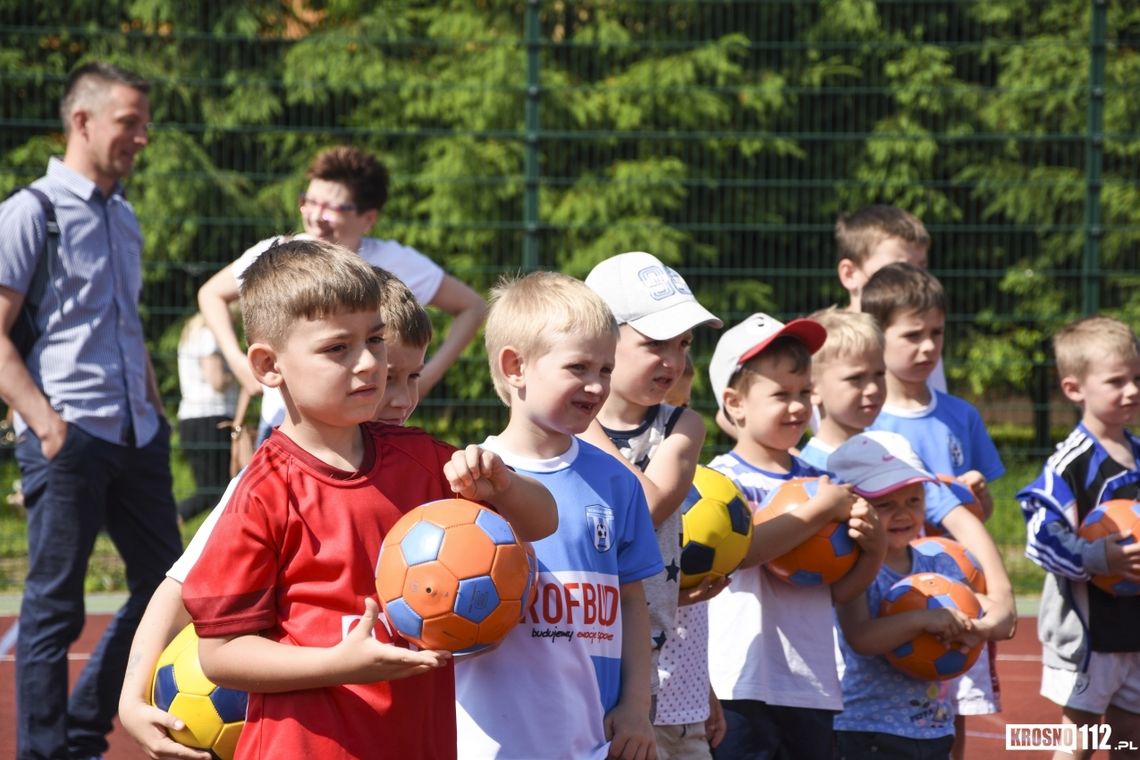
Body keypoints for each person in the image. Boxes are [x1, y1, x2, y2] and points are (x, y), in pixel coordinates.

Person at [179, 241, 556, 760]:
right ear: (269, 366)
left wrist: (504, 487)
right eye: (338, 348)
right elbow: (221, 654)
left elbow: (544, 520)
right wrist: (339, 664)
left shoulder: (426, 461)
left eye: (375, 341)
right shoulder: (265, 490)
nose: (368, 364)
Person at [119, 266, 440, 759]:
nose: (393, 393)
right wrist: (131, 694)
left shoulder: (423, 463)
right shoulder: (271, 484)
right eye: (389, 373)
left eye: (411, 376)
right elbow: (181, 585)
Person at [0, 61, 184, 760]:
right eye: (129, 123)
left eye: (144, 125)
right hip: (68, 432)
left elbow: (123, 324)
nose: (142, 138)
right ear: (83, 121)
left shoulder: (124, 217)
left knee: (168, 585)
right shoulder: (31, 213)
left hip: (136, 433)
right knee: (54, 605)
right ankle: (46, 754)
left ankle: (83, 728)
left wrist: (155, 411)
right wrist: (45, 424)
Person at [454, 271, 662, 760]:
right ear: (515, 367)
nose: (595, 385)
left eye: (606, 370)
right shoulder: (464, 479)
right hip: (489, 741)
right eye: (578, 367)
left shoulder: (617, 482)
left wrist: (636, 706)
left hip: (594, 739)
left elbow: (632, 602)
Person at [197, 144, 487, 439]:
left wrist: (423, 376)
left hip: (367, 431)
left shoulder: (396, 261)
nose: (316, 215)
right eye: (308, 202)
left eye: (332, 207)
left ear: (368, 218)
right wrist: (238, 362)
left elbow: (472, 306)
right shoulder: (278, 254)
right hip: (283, 426)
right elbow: (211, 294)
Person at [704, 312, 884, 760]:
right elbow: (745, 553)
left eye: (805, 393)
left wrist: (873, 551)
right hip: (739, 682)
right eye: (781, 394)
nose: (798, 406)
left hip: (811, 683)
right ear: (736, 402)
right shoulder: (718, 483)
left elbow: (840, 592)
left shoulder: (823, 481)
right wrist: (819, 510)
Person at [861, 261, 1012, 756]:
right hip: (891, 590)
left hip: (955, 588)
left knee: (953, 703)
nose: (928, 346)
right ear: (876, 337)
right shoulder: (866, 420)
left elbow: (965, 513)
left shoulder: (959, 414)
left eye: (937, 333)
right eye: (913, 335)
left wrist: (978, 504)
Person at [581, 251, 724, 749]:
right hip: (589, 662)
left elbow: (651, 504)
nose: (675, 361)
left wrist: (584, 429)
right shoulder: (559, 433)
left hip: (663, 668)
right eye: (655, 343)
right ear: (600, 337)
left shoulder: (682, 425)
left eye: (683, 344)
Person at [827, 430, 1001, 759]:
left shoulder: (939, 563)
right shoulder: (855, 567)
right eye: (886, 504)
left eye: (914, 500)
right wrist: (924, 619)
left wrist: (973, 627)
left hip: (935, 727)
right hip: (867, 729)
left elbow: (999, 620)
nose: (904, 513)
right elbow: (861, 637)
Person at [1018, 315, 1140, 760]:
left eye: (1137, 378)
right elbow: (1040, 537)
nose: (1131, 390)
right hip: (1091, 635)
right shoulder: (1070, 463)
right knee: (1082, 736)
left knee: (1131, 734)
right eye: (1116, 381)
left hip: (1134, 628)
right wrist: (1097, 556)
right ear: (1074, 390)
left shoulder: (1138, 452)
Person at [798, 307, 887, 470]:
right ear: (812, 389)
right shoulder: (809, 471)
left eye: (879, 374)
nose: (873, 388)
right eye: (855, 378)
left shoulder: (890, 456)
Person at [175, 312, 239, 521]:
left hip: (191, 418)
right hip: (211, 417)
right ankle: (170, 519)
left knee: (212, 490)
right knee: (218, 490)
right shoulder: (210, 334)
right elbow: (217, 380)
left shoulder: (192, 336)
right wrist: (242, 370)